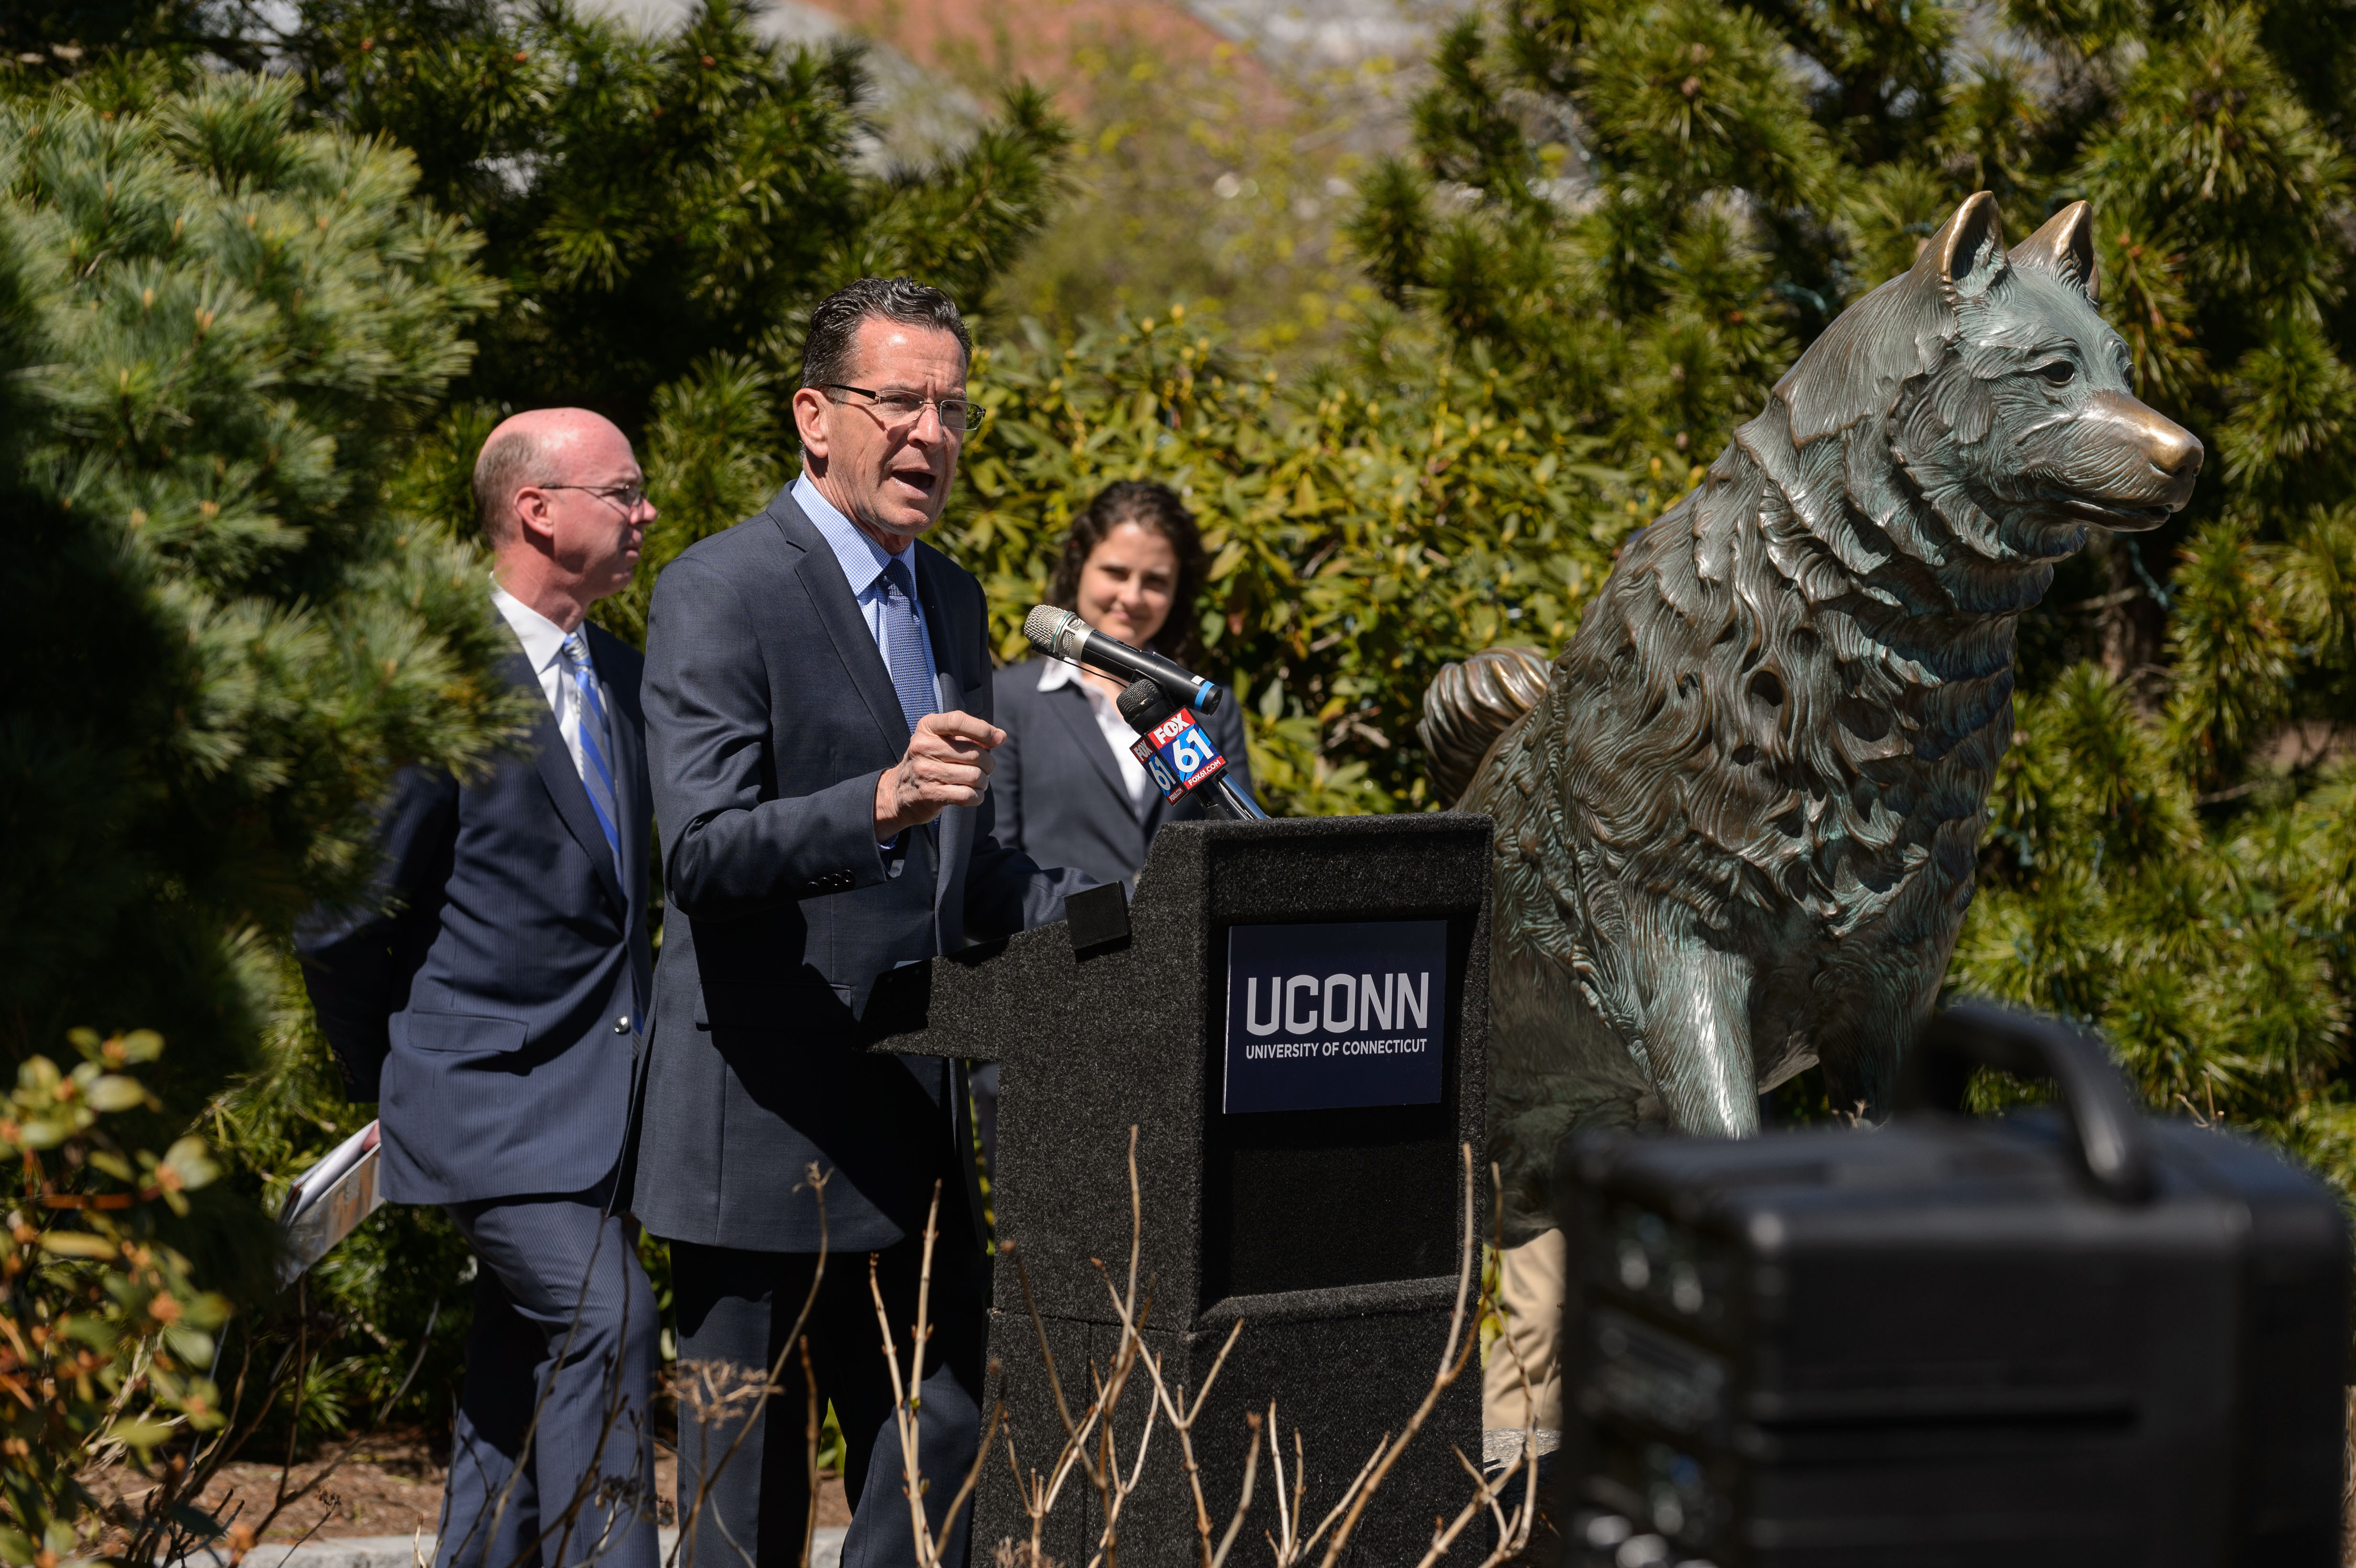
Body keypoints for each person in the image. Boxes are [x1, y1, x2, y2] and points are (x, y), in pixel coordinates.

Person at [630, 277, 1085, 1568]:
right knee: (743, 1513)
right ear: (814, 417)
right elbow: (707, 854)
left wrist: (1141, 918)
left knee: (940, 1467)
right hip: (758, 1130)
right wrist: (878, 800)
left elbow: (977, 879)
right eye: (900, 402)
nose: (932, 434)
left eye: (952, 406)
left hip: (908, 1130)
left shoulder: (951, 597)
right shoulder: (719, 590)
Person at [295, 410, 662, 1568]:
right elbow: (341, 920)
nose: (647, 512)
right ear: (536, 509)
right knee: (607, 1319)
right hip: (485, 1106)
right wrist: (401, 1080)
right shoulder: (439, 678)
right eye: (624, 491)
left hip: (600, 1113)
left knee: (513, 1392)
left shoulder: (623, 674)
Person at [991, 479, 1256, 894]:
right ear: (1079, 562)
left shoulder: (1208, 705)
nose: (1132, 597)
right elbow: (994, 865)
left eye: (1155, 582)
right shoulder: (1010, 701)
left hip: (1186, 948)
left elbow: (1243, 852)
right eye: (1115, 573)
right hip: (1060, 948)